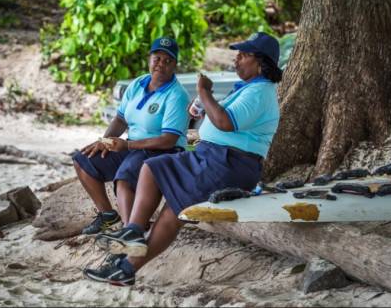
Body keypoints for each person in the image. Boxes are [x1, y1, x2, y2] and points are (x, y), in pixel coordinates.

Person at [85, 32, 283, 286]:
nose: (237, 60)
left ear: (261, 63)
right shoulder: (249, 89)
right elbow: (219, 115)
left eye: (244, 55)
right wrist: (201, 105)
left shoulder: (260, 92)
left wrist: (204, 91)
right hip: (211, 157)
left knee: (169, 201)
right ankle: (131, 241)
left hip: (228, 164)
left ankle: (127, 257)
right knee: (153, 170)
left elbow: (224, 122)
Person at [73, 37, 190, 237]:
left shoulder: (177, 95)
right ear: (149, 58)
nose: (160, 64)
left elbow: (169, 140)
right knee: (83, 159)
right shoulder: (138, 83)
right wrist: (104, 141)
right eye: (157, 58)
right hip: (131, 145)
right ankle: (108, 215)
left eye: (167, 61)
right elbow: (120, 120)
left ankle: (130, 232)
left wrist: (127, 145)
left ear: (174, 66)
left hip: (161, 150)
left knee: (125, 177)